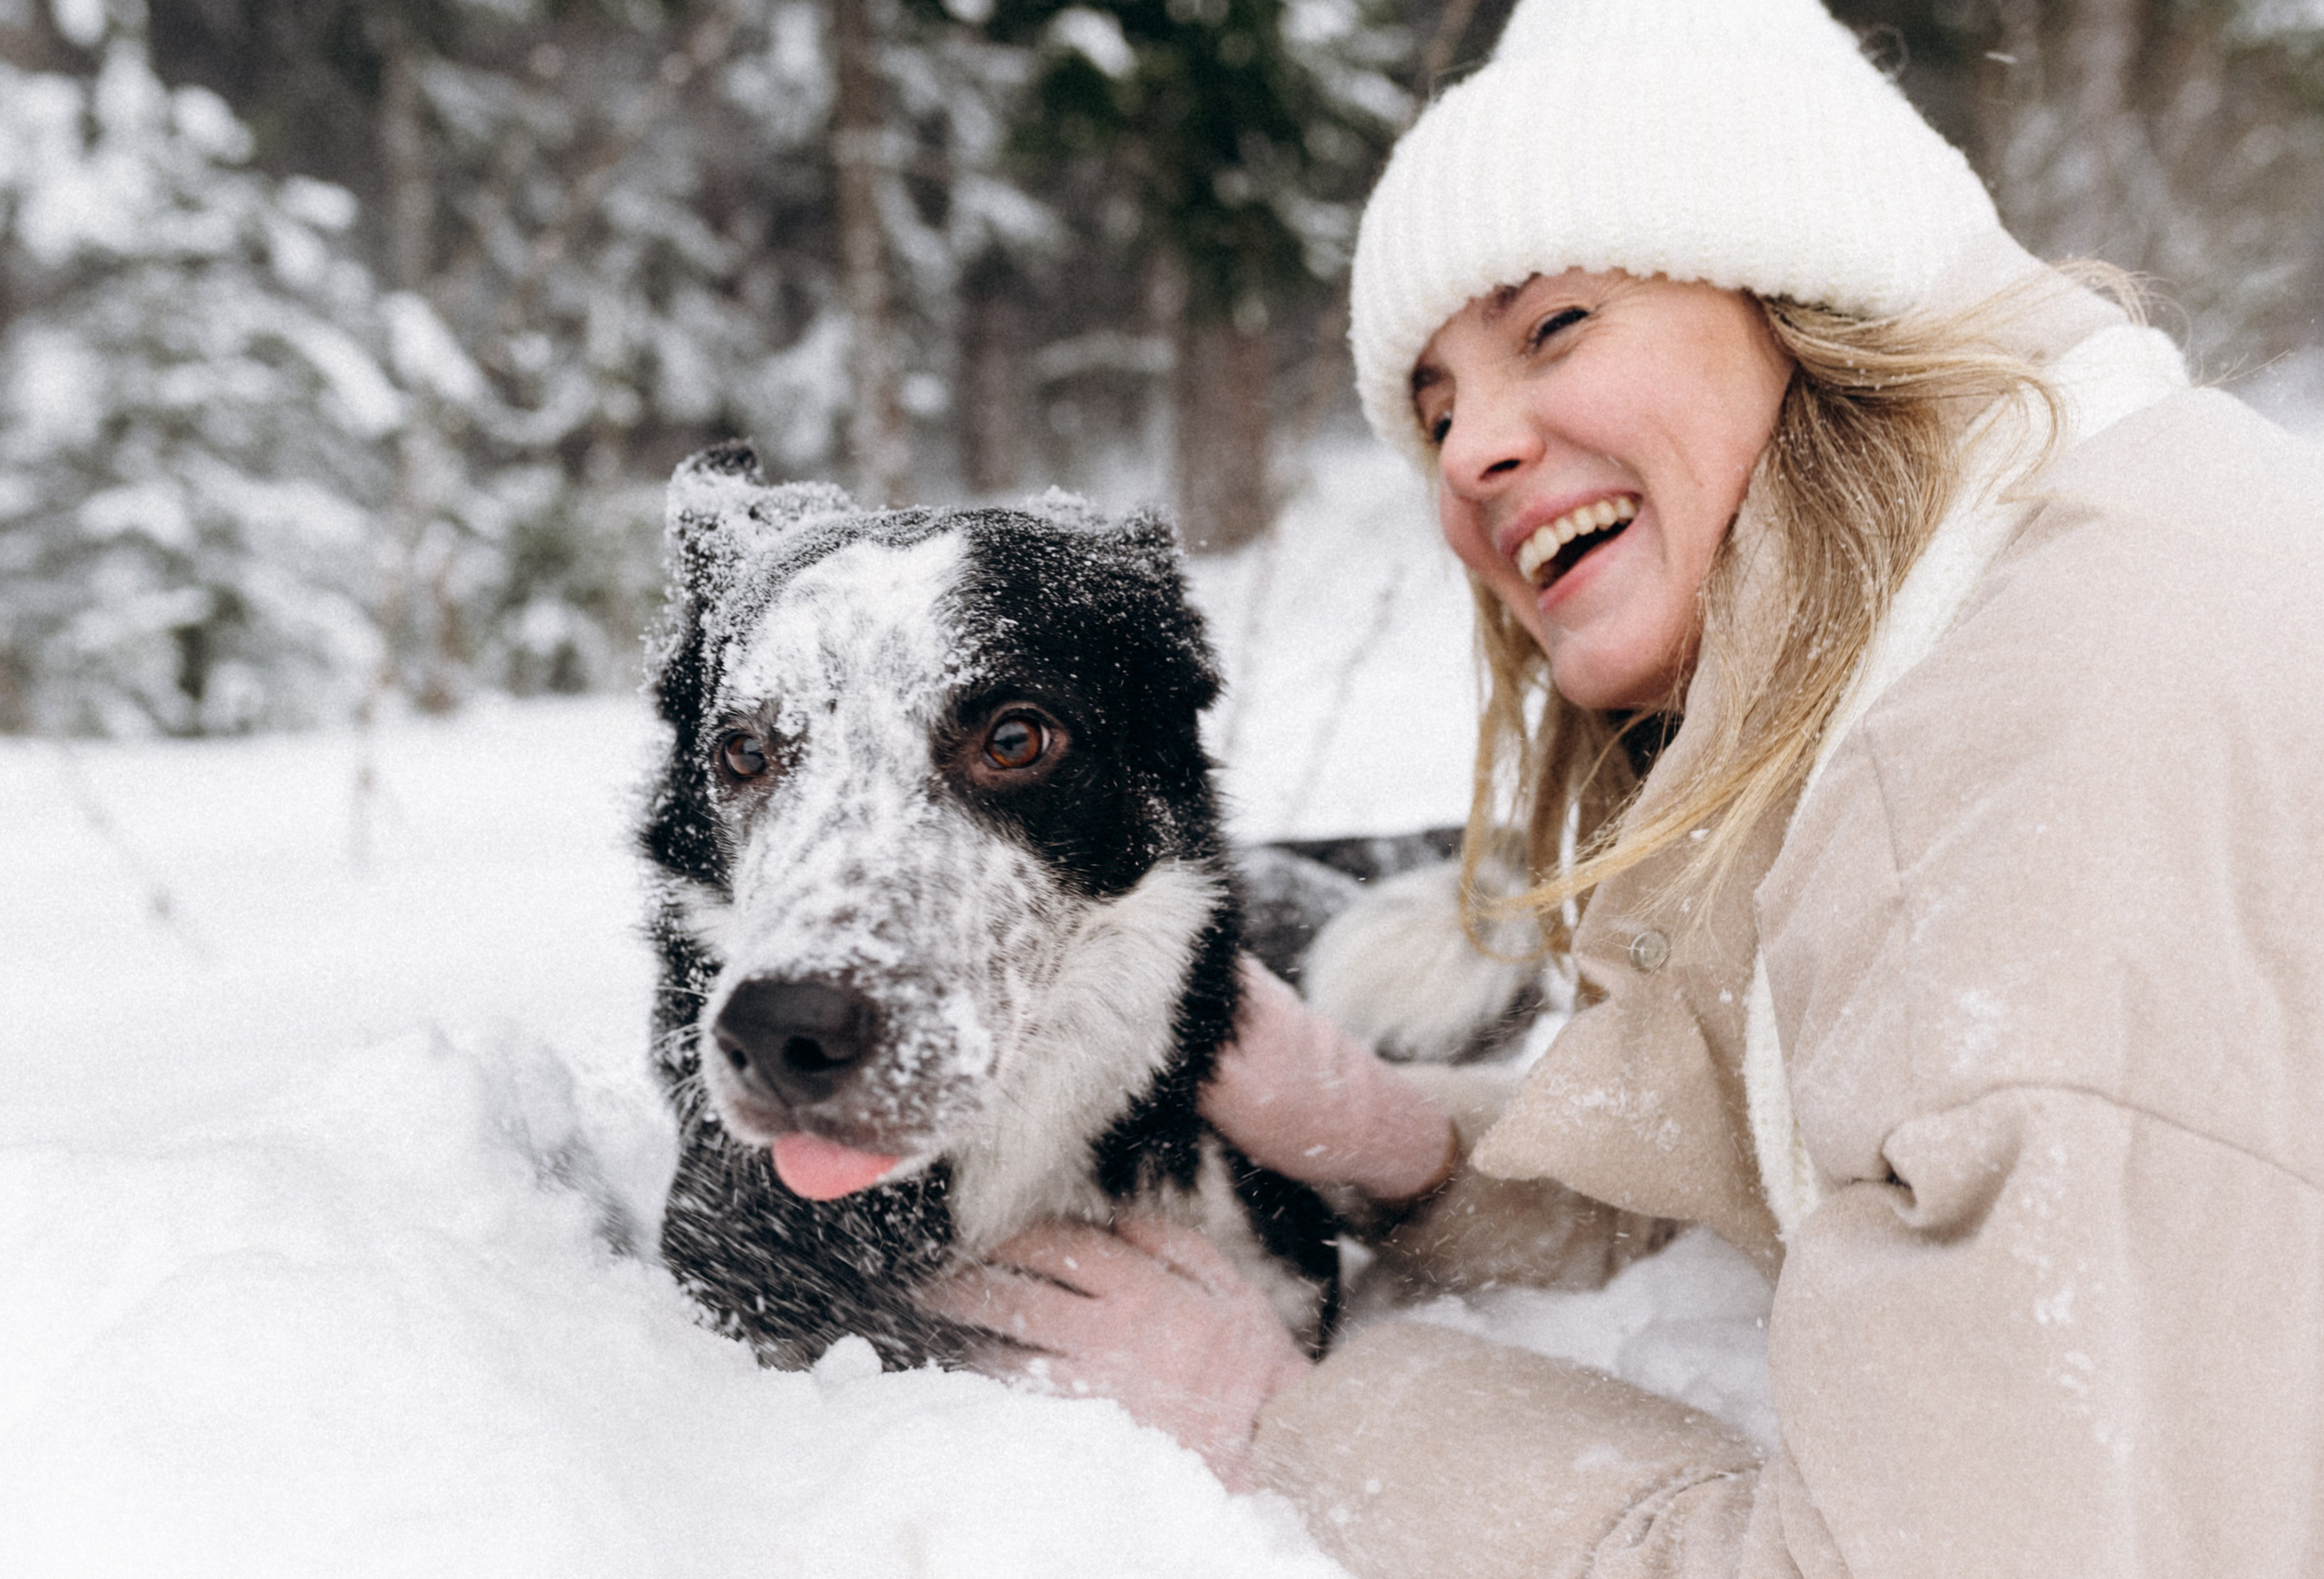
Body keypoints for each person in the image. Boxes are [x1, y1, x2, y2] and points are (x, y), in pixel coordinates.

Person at [933, 0, 2324, 1572]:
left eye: (1554, 329)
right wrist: (1397, 1144)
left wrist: (1282, 1411)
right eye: (1437, 409)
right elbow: (1817, 1128)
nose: (1465, 460)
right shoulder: (1999, 599)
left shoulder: (2053, 745)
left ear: (1810, 294)